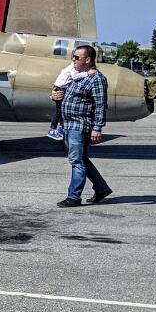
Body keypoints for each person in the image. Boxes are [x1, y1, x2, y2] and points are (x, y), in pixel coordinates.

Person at [54, 43, 112, 207]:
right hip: (67, 124)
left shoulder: (97, 79)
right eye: (73, 57)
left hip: (79, 125)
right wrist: (55, 95)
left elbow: (100, 105)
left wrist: (97, 128)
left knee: (76, 161)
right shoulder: (77, 75)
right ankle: (101, 188)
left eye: (76, 57)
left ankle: (73, 197)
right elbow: (63, 91)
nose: (73, 60)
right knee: (81, 159)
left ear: (88, 60)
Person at [46, 59, 80, 141]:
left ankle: (61, 129)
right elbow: (75, 76)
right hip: (60, 89)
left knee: (62, 111)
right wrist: (86, 73)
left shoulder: (71, 67)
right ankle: (52, 130)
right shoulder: (73, 68)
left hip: (61, 88)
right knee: (59, 111)